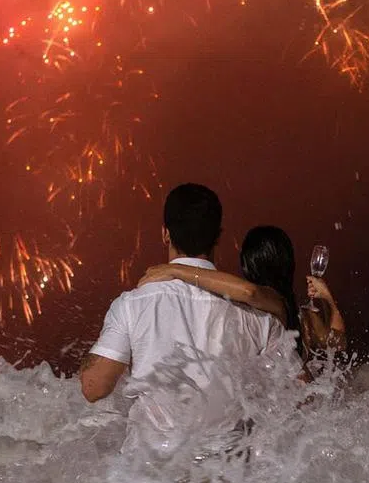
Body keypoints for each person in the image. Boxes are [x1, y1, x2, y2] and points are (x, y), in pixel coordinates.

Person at [79, 183, 289, 459]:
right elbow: (298, 394)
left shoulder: (133, 305)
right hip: (229, 479)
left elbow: (94, 388)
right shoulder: (259, 316)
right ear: (219, 236)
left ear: (165, 233)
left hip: (151, 478)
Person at [138, 225, 346, 366]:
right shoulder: (304, 317)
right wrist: (328, 299)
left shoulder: (263, 307)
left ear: (249, 264)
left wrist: (176, 270)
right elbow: (338, 342)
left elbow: (250, 291)